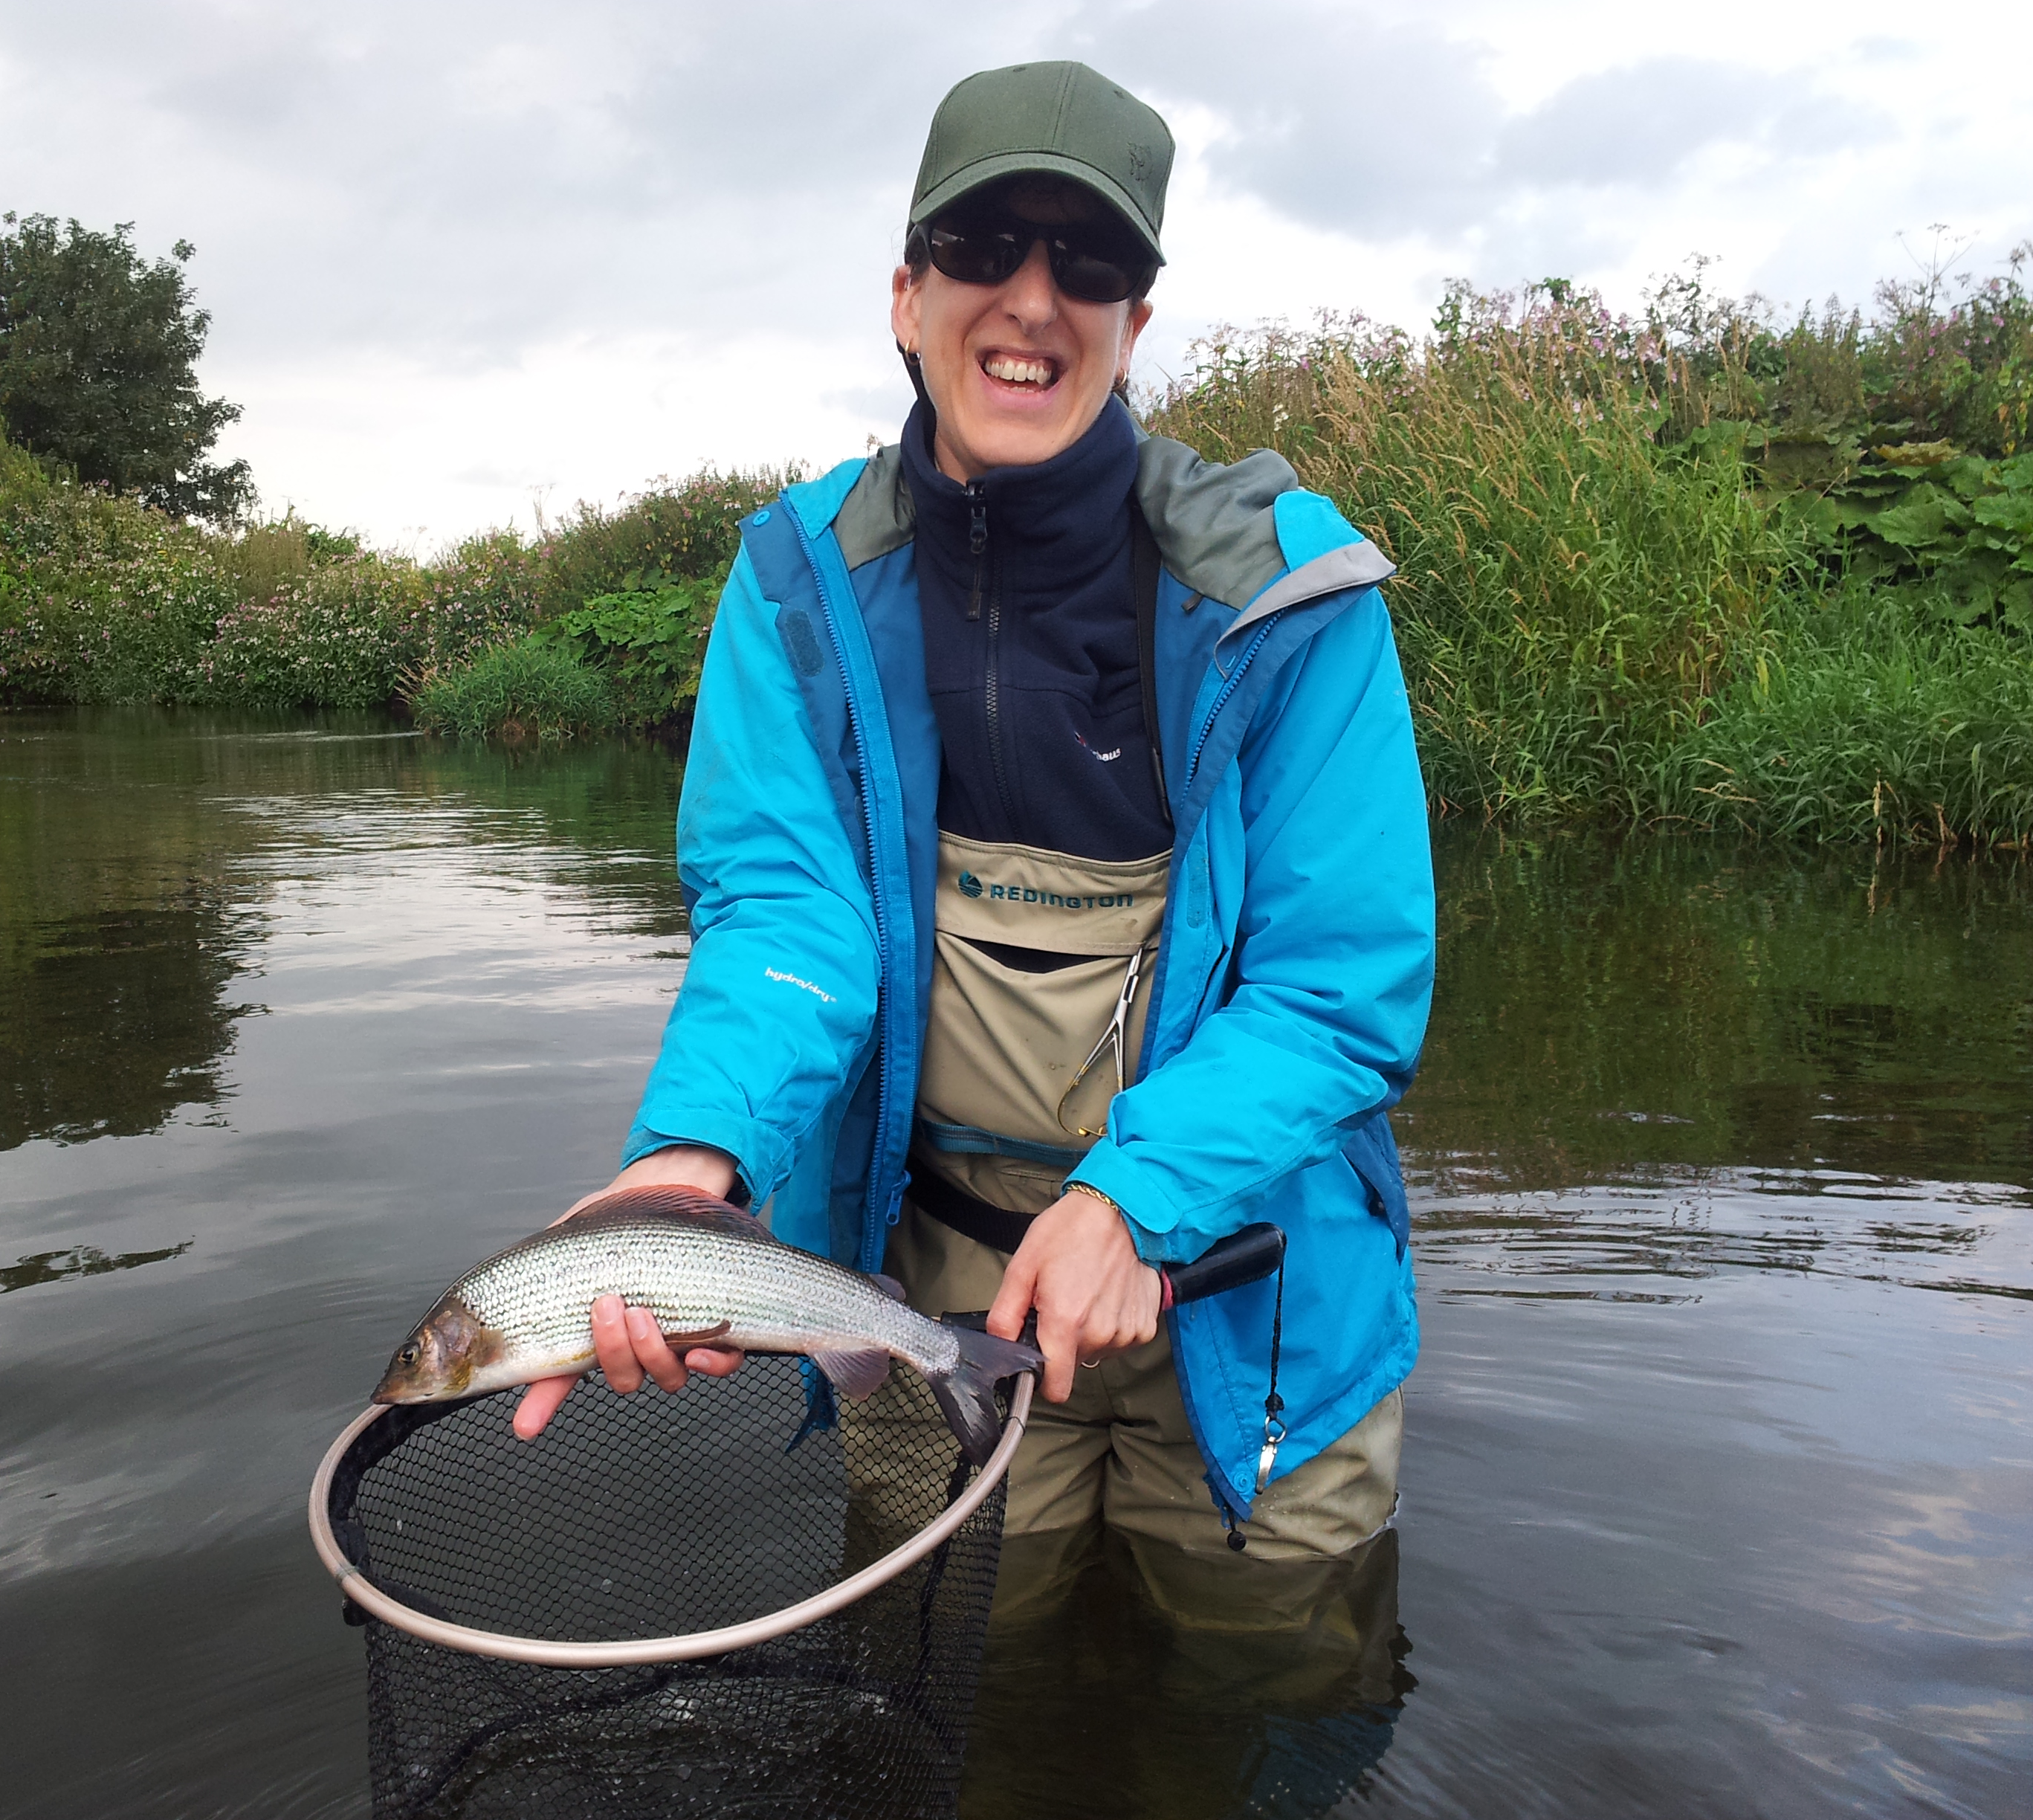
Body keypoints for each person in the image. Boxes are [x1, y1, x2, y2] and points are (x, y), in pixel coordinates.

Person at [514, 59, 1434, 1613]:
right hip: (931, 1297)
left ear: (1136, 322)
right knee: (968, 1674)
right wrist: (693, 1155)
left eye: (1091, 262)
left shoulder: (1291, 595)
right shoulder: (800, 584)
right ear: (907, 294)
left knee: (1268, 1669)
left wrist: (1132, 1202)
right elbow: (787, 910)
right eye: (983, 245)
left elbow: (1338, 985)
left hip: (1255, 1282)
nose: (1033, 298)